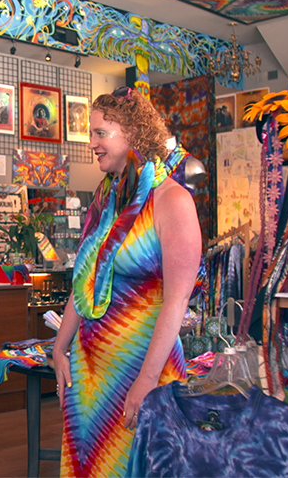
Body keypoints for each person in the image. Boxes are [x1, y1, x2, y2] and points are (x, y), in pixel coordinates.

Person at [52, 86, 203, 477]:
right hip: (90, 374)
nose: (92, 143)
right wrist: (59, 346)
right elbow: (85, 280)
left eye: (101, 132)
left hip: (144, 371)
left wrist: (147, 380)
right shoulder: (107, 202)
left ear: (134, 133)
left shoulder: (171, 201)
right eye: (92, 133)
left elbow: (176, 301)